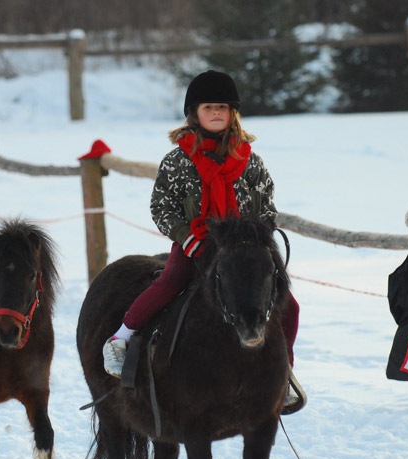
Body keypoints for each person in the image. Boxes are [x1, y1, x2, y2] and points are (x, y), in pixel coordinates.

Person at [102, 70, 305, 414]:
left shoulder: (250, 162)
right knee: (169, 282)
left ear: (233, 114)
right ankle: (121, 336)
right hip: (196, 244)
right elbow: (161, 207)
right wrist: (185, 238)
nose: (215, 113)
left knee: (289, 303)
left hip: (244, 249)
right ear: (194, 113)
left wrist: (256, 237)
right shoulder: (178, 161)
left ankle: (282, 373)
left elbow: (266, 204)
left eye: (222, 107)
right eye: (208, 107)